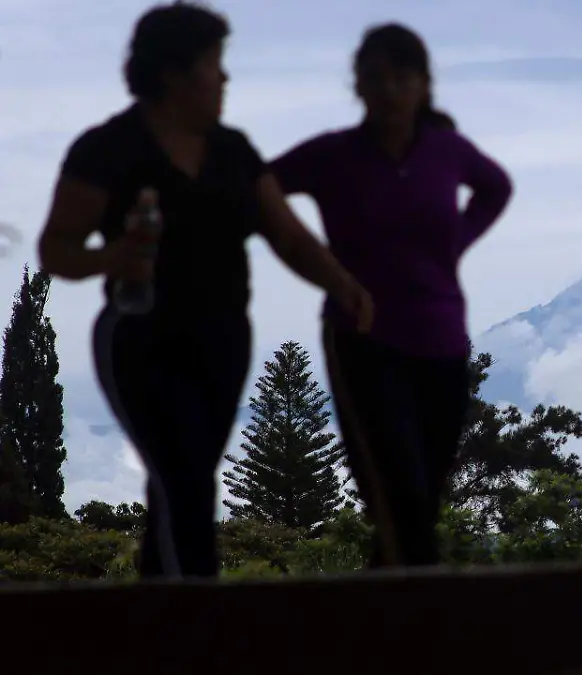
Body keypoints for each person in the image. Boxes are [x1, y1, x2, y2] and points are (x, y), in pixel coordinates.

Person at [36, 2, 373, 579]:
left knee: (183, 484)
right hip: (140, 337)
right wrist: (112, 257)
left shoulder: (233, 152)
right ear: (173, 73)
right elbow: (56, 249)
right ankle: (200, 625)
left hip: (221, 341)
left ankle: (158, 633)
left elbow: (287, 237)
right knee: (184, 479)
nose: (225, 78)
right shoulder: (109, 150)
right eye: (214, 64)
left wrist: (344, 284)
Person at [269, 22, 513, 569]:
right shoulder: (334, 156)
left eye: (402, 78)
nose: (389, 90)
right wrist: (324, 267)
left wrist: (458, 241)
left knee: (418, 504)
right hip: (365, 340)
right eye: (375, 78)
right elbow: (261, 190)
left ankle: (382, 629)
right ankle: (420, 632)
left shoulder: (445, 151)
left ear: (424, 86)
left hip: (443, 345)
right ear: (357, 86)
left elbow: (496, 188)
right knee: (397, 496)